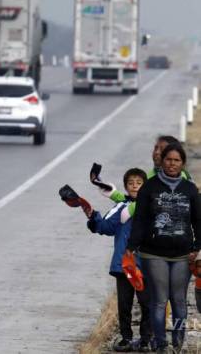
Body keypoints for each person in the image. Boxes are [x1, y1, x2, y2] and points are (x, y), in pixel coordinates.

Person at [126, 144, 201, 353]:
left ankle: (178, 341)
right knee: (159, 300)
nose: (172, 164)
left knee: (179, 300)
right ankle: (160, 343)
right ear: (161, 161)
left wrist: (198, 247)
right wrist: (131, 246)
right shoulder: (149, 187)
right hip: (153, 253)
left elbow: (198, 220)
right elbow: (139, 220)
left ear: (182, 163)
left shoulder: (190, 189)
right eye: (168, 159)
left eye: (177, 160)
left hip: (183, 254)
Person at [84, 168, 152, 352]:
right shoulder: (121, 206)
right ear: (125, 186)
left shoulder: (152, 206)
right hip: (124, 264)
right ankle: (126, 338)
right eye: (131, 183)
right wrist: (92, 216)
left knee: (147, 303)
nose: (135, 186)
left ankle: (146, 339)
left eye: (139, 183)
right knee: (124, 303)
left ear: (146, 186)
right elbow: (106, 226)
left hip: (147, 264)